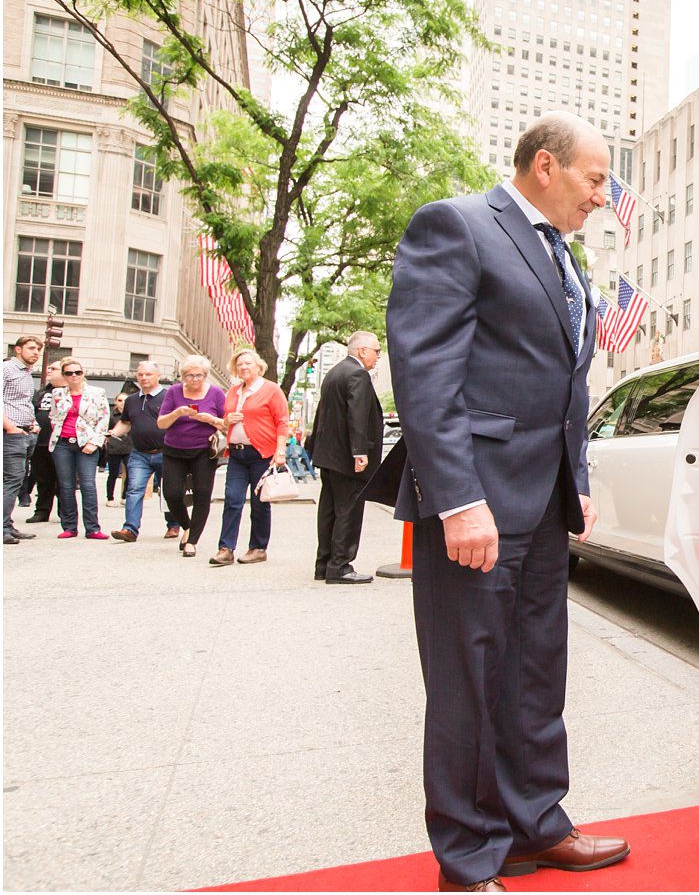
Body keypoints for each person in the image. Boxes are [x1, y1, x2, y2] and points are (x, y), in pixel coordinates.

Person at [387, 112, 624, 892]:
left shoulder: (565, 256)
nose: (602, 196)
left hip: (544, 499)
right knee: (468, 681)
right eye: (595, 179)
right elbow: (426, 375)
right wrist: (457, 499)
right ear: (546, 166)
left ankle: (537, 823)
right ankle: (469, 854)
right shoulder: (455, 226)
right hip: (476, 502)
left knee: (534, 673)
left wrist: (576, 480)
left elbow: (568, 382)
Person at [308, 331, 383, 584]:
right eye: (376, 350)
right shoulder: (358, 374)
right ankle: (340, 566)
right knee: (348, 511)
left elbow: (323, 413)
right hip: (348, 457)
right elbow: (357, 415)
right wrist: (359, 452)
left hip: (329, 455)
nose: (378, 356)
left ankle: (324, 564)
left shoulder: (335, 372)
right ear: (362, 351)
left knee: (329, 510)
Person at [212, 347, 290, 567]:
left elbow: (282, 421)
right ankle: (225, 549)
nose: (243, 367)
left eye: (248, 363)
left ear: (259, 366)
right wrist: (227, 421)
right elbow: (225, 420)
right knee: (233, 499)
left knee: (259, 503)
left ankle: (258, 548)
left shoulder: (271, 390)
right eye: (239, 364)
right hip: (236, 453)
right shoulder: (234, 391)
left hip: (261, 454)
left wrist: (280, 451)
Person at [158, 356, 226, 561]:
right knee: (171, 494)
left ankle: (192, 541)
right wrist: (177, 412)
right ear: (183, 376)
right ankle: (187, 526)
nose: (194, 379)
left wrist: (211, 419)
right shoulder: (173, 392)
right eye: (189, 375)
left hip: (203, 451)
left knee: (202, 493)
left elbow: (227, 424)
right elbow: (161, 423)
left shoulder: (215, 393)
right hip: (174, 449)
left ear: (205, 376)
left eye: (199, 375)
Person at [110, 361, 182, 543]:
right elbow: (125, 423)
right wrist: (111, 434)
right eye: (141, 374)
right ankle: (130, 529)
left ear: (158, 376)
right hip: (139, 453)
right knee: (134, 489)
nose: (144, 378)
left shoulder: (169, 397)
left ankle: (173, 523)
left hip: (166, 452)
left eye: (148, 374)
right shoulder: (132, 400)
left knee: (168, 490)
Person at [47, 360, 111, 540]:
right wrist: (57, 430)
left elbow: (103, 419)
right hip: (62, 443)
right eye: (68, 373)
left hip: (87, 443)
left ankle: (92, 528)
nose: (73, 376)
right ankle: (69, 527)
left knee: (87, 485)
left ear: (83, 373)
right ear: (64, 375)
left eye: (77, 372)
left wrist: (95, 442)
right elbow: (53, 416)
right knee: (66, 486)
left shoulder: (97, 392)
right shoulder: (58, 393)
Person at [3, 335, 43, 545]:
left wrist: (34, 423)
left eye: (38, 349)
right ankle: (2, 528)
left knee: (16, 480)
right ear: (17, 349)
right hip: (11, 434)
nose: (36, 352)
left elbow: (25, 403)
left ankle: (7, 525)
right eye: (31, 348)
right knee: (11, 480)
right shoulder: (6, 369)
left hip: (26, 433)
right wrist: (9, 426)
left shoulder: (26, 373)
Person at [22, 361, 64, 525]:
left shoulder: (71, 392)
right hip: (40, 442)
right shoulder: (41, 392)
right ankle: (42, 511)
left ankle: (65, 512)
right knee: (43, 478)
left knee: (63, 480)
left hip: (62, 443)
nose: (49, 371)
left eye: (54, 369)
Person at [102, 393, 132, 506]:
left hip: (129, 446)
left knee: (129, 472)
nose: (122, 403)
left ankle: (124, 496)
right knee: (113, 473)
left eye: (125, 400)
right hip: (114, 447)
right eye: (120, 400)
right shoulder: (111, 415)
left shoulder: (131, 414)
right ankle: (110, 498)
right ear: (115, 401)